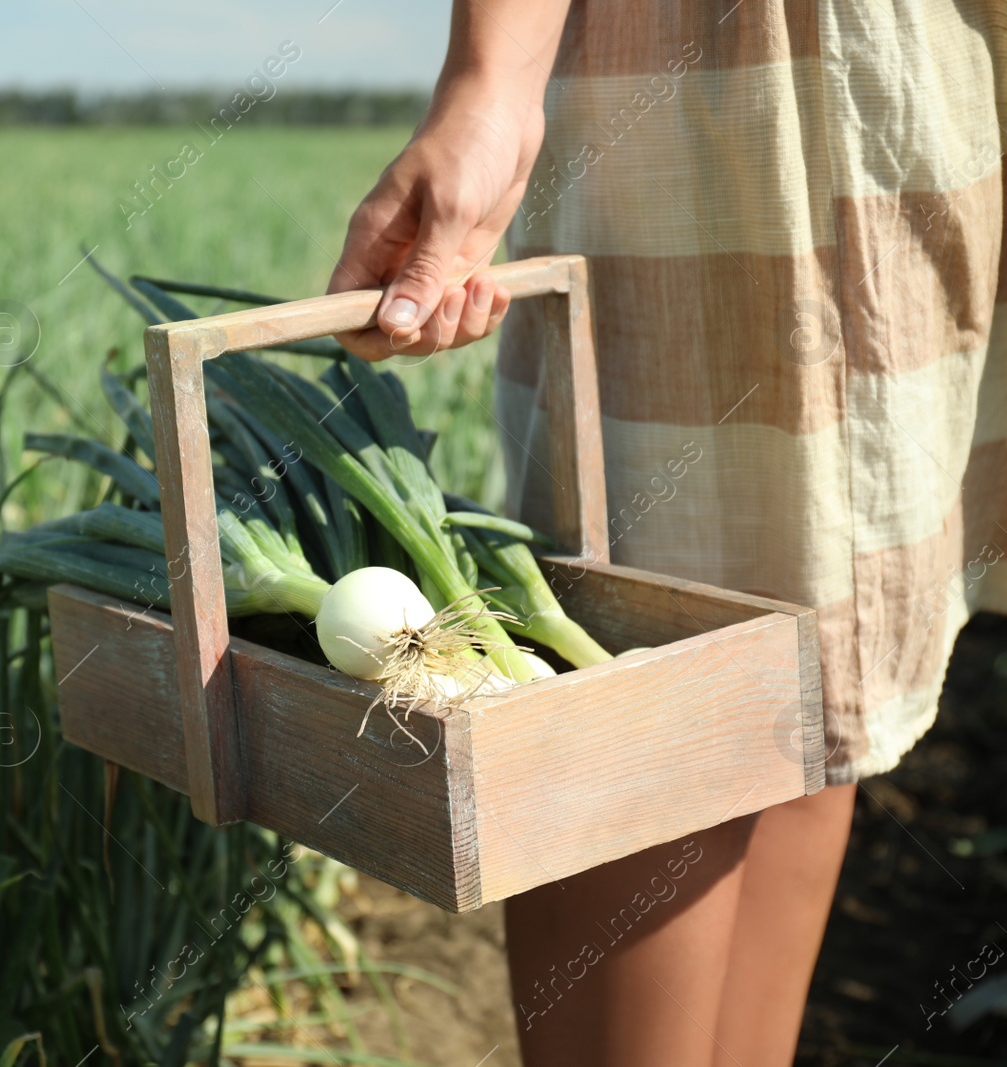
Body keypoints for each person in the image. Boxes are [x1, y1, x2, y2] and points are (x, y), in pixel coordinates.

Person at [329, 2, 1007, 1063]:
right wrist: (489, 89)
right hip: (737, 70)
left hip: (918, 68)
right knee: (674, 675)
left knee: (824, 651)